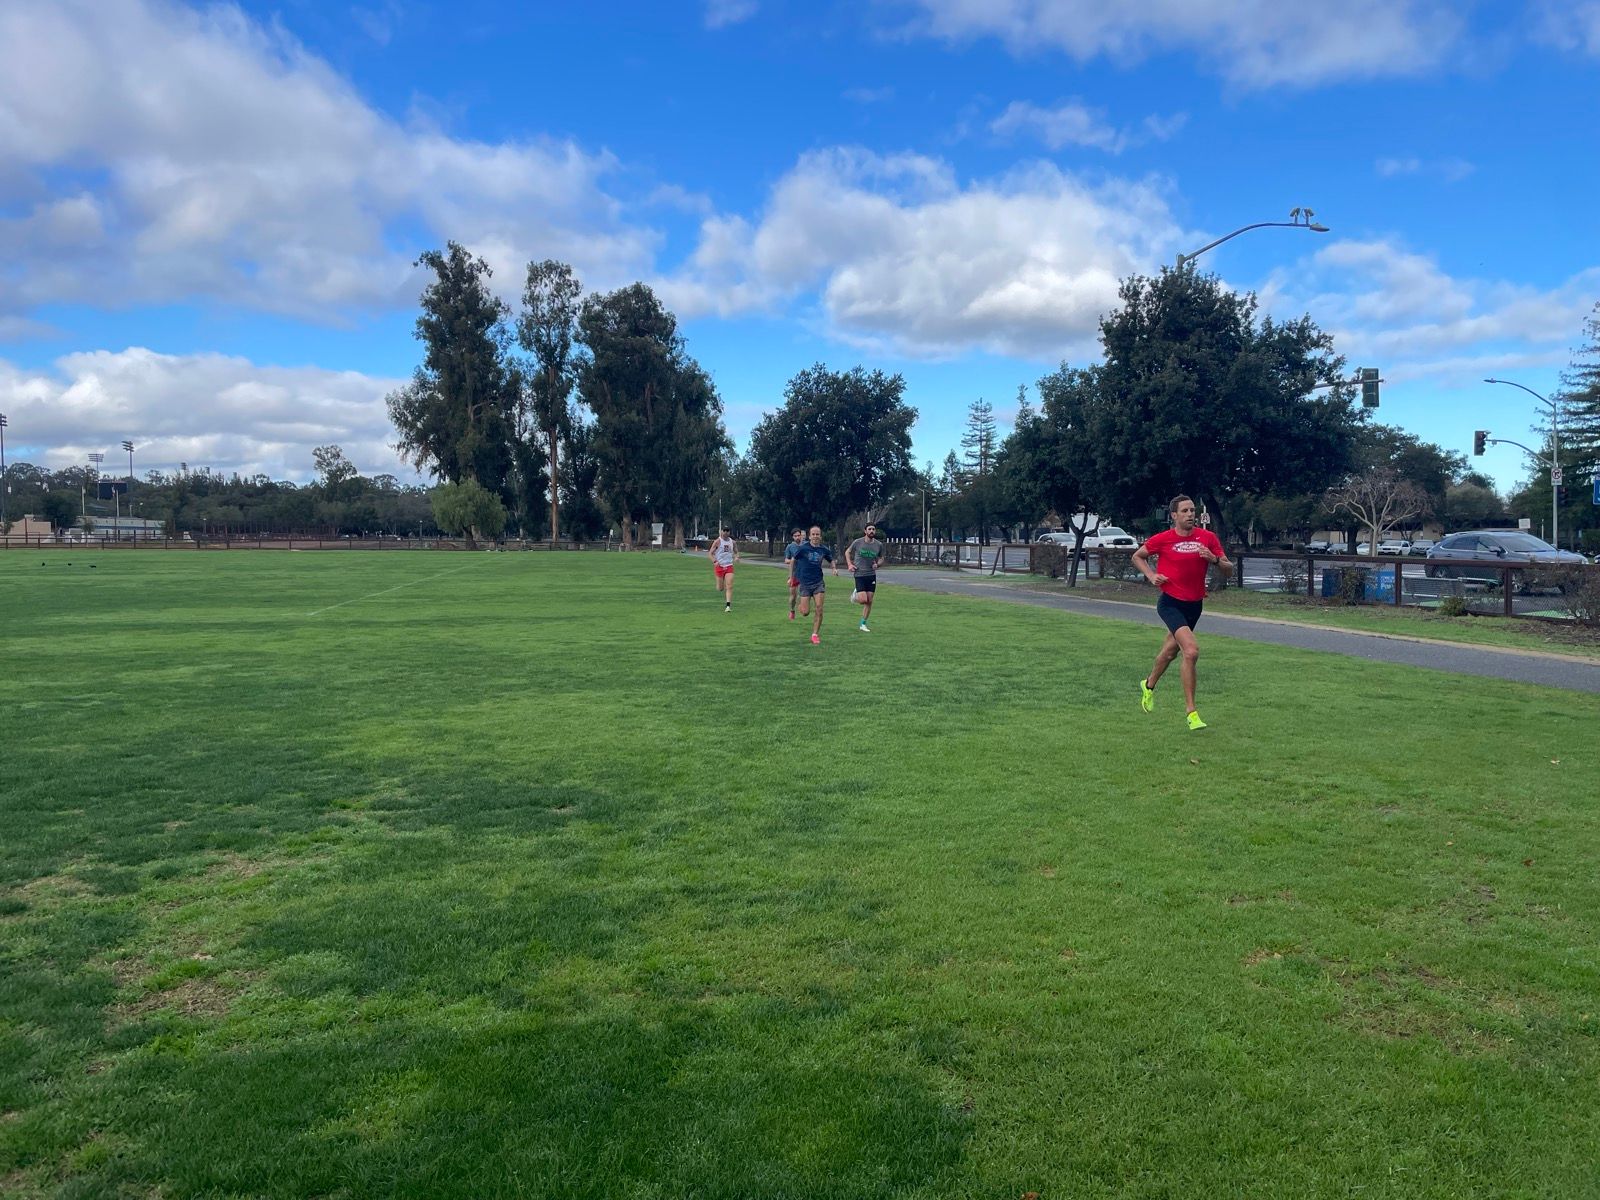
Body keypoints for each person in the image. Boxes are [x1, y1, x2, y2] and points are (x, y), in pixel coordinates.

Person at [1132, 495, 1233, 730]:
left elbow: (1228, 570)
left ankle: (1148, 685)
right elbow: (1137, 556)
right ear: (1174, 515)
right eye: (1185, 511)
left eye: (1192, 510)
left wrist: (1214, 559)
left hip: (1194, 605)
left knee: (1170, 652)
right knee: (1191, 651)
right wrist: (1151, 575)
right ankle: (1191, 713)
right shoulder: (1163, 539)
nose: (1190, 514)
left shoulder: (1207, 538)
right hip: (1170, 603)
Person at [791, 525, 839, 644]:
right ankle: (800, 605)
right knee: (805, 612)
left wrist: (834, 568)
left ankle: (815, 634)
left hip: (818, 582)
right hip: (805, 583)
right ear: (809, 536)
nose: (815, 536)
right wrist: (791, 577)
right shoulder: (803, 548)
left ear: (820, 536)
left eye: (817, 534)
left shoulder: (824, 549)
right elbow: (793, 560)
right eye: (813, 534)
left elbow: (831, 560)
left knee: (819, 608)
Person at [844, 522, 886, 632]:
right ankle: (855, 595)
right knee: (863, 600)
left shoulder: (878, 545)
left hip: (871, 575)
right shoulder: (858, 542)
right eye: (869, 529)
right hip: (859, 574)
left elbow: (882, 558)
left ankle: (863, 624)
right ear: (865, 531)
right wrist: (849, 564)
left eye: (873, 529)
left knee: (869, 601)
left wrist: (878, 564)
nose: (871, 531)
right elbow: (847, 552)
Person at [709, 526, 738, 611]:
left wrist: (736, 557)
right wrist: (715, 561)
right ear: (721, 531)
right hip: (720, 566)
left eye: (727, 531)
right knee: (720, 588)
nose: (725, 532)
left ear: (729, 532)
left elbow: (736, 552)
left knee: (729, 585)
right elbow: (710, 553)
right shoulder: (717, 541)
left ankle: (728, 606)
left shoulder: (733, 542)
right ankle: (720, 584)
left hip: (729, 565)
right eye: (724, 531)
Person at [783, 527, 805, 620]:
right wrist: (793, 560)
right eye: (795, 536)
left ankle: (802, 607)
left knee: (802, 593)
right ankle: (792, 610)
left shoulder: (805, 545)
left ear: (801, 535)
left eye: (798, 535)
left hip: (804, 574)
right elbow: (786, 560)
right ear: (793, 537)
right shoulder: (790, 547)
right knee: (793, 596)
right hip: (794, 574)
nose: (797, 537)